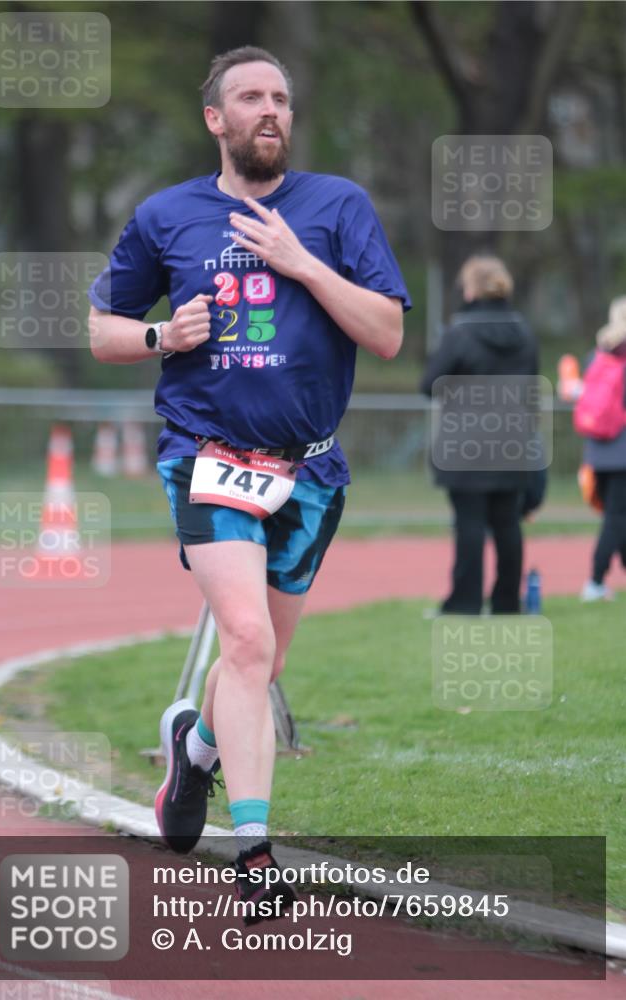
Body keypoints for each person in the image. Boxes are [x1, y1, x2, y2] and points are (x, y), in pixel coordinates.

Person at [88, 46, 410, 917]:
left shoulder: (338, 208)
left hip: (310, 469)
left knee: (257, 661)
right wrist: (163, 337)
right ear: (215, 120)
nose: (269, 110)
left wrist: (302, 262)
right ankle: (256, 853)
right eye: (249, 98)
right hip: (209, 452)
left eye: (280, 98)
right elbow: (102, 330)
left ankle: (193, 752)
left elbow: (385, 334)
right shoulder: (167, 217)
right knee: (245, 643)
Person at [420, 256, 538, 615]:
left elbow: (429, 385)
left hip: (465, 442)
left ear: (470, 289)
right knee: (507, 524)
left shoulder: (460, 332)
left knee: (468, 523)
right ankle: (506, 602)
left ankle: (465, 602)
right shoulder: (525, 332)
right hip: (512, 440)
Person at [578, 296, 626, 601]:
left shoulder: (597, 354)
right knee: (616, 518)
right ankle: (595, 580)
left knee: (617, 514)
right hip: (623, 449)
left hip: (599, 449)